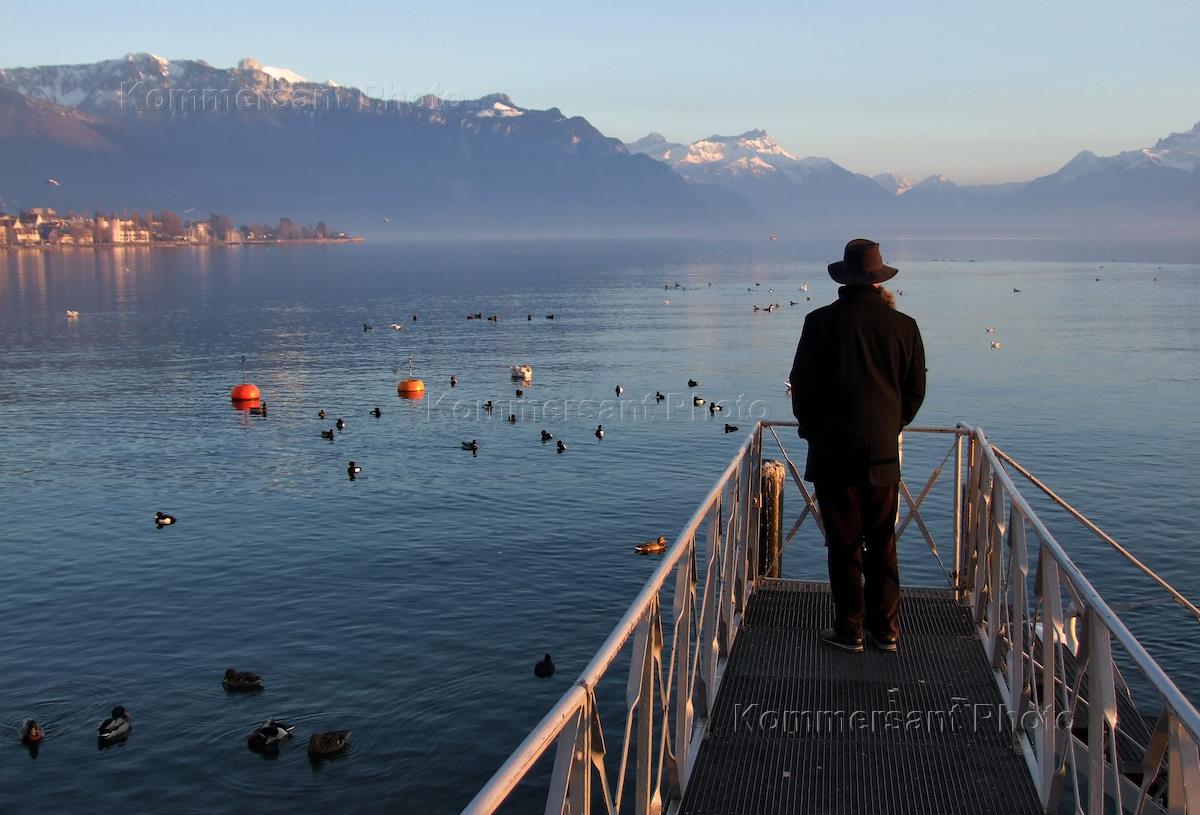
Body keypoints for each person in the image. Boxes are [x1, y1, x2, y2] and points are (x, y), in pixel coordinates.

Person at [788, 239, 925, 653]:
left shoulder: (818, 322)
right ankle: (887, 629)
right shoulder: (904, 327)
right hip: (882, 452)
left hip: (832, 452)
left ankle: (850, 629)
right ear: (879, 280)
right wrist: (891, 426)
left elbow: (802, 386)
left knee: (843, 541)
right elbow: (914, 391)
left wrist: (812, 431)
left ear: (843, 280)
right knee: (882, 540)